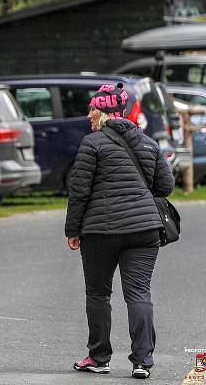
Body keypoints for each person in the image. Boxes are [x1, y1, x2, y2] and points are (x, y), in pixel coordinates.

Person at [65, 83, 174, 380]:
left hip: (100, 232)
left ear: (105, 112)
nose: (89, 115)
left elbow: (79, 192)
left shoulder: (92, 144)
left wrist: (72, 230)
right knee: (139, 293)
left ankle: (99, 357)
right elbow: (165, 187)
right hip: (144, 229)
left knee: (98, 293)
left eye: (92, 110)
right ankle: (142, 361)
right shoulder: (149, 143)